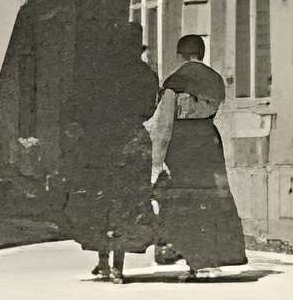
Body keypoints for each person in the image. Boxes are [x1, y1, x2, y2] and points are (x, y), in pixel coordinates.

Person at [63, 22, 162, 281]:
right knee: (127, 201)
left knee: (100, 200)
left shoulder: (98, 74)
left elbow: (79, 106)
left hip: (100, 141)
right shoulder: (146, 75)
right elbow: (150, 110)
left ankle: (103, 260)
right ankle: (119, 263)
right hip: (131, 140)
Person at [149, 34, 249, 278]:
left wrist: (156, 160)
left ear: (180, 54)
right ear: (202, 53)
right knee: (212, 199)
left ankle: (193, 258)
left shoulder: (176, 81)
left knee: (186, 201)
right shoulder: (215, 80)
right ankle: (214, 255)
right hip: (208, 141)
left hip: (182, 145)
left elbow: (164, 124)